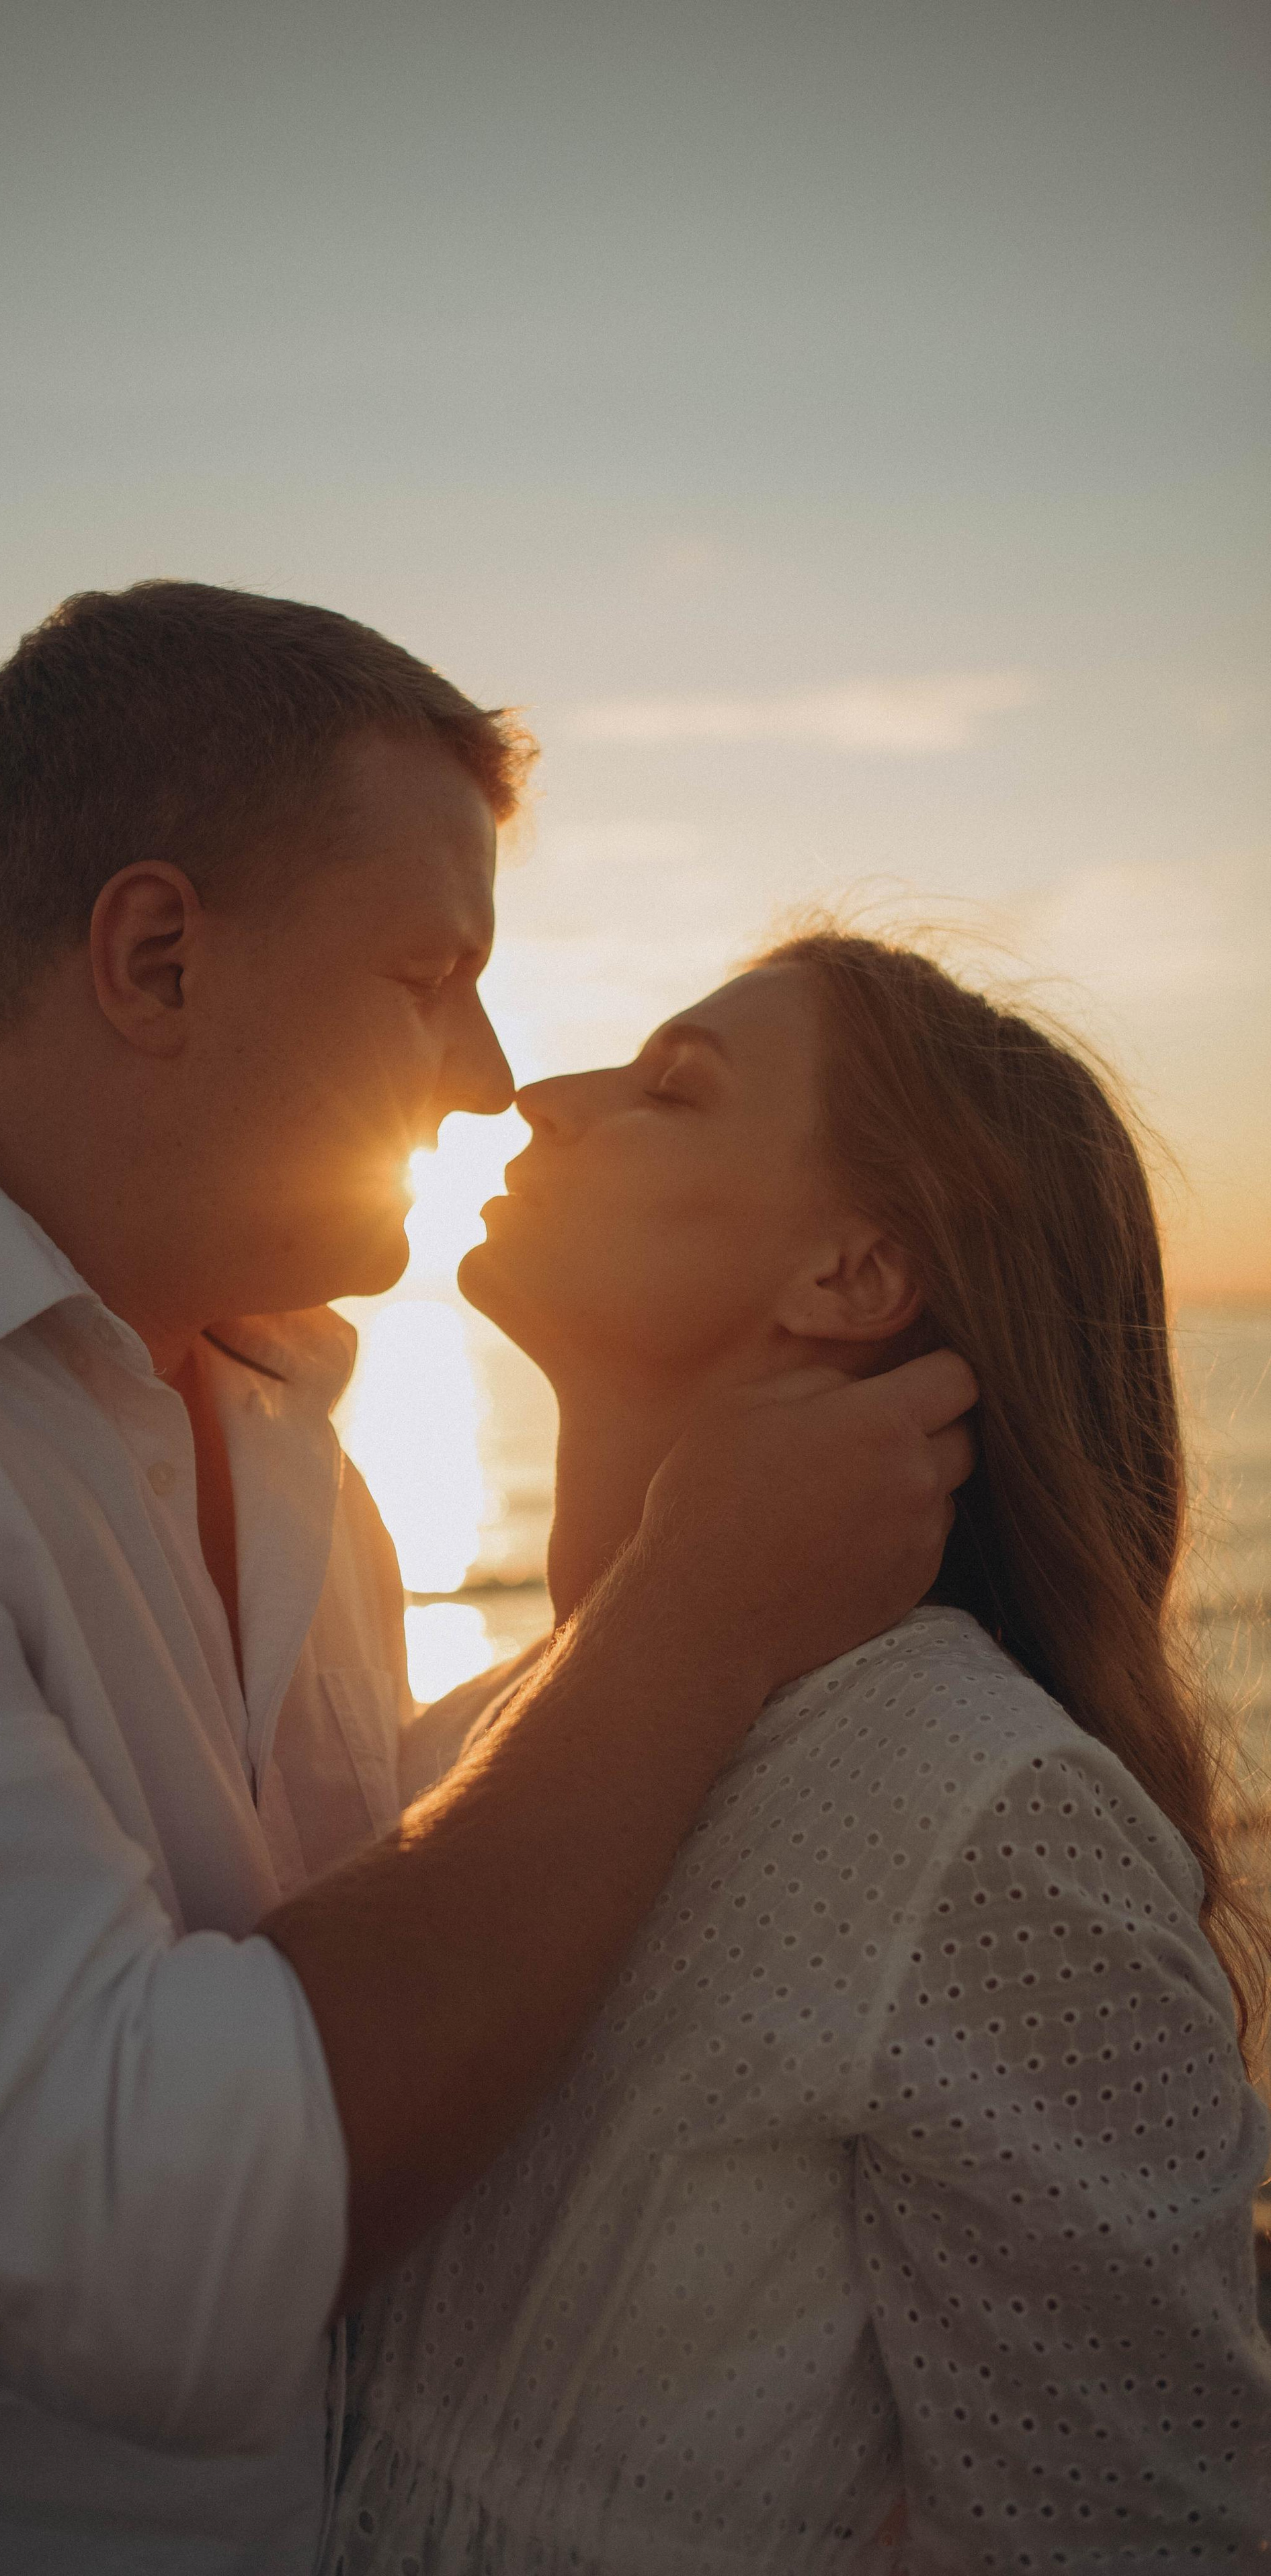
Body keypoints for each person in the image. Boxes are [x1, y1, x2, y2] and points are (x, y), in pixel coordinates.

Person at [0, 590, 975, 2576]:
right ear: (155, 956)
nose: (489, 1075)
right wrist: (691, 1619)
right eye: (429, 977)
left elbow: (367, 1991)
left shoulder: (304, 1447)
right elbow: (121, 2230)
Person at [326, 932, 1271, 2573]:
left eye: (670, 1089)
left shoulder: (978, 1812)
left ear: (850, 1276)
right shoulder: (479, 1737)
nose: (541, 1097)